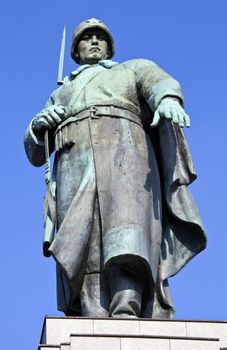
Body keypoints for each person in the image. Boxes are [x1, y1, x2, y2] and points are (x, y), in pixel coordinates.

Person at [24, 18, 206, 318]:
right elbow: (33, 153)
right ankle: (91, 312)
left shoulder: (131, 68)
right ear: (76, 50)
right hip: (75, 164)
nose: (94, 41)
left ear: (109, 47)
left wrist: (168, 99)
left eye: (100, 37)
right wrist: (37, 127)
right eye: (86, 38)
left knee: (126, 234)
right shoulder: (59, 94)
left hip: (126, 157)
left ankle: (127, 306)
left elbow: (160, 82)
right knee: (83, 242)